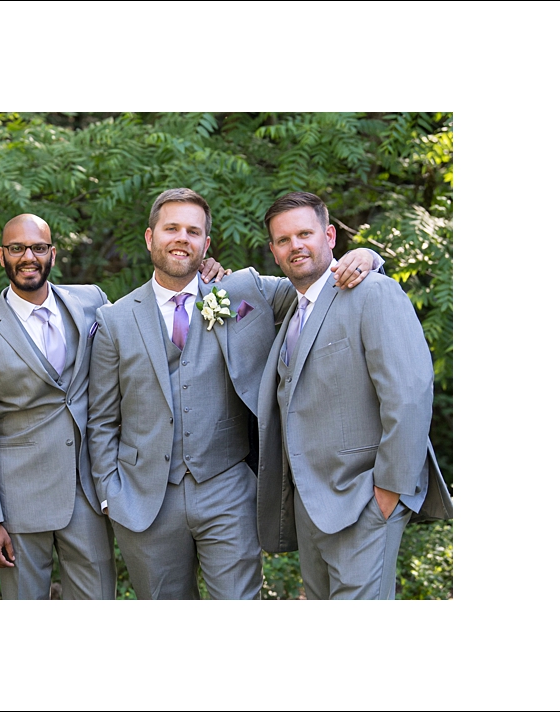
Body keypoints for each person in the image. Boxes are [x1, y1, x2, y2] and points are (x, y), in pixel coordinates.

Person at [85, 187, 383, 599]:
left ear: (206, 244)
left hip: (227, 487)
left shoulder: (241, 293)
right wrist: (109, 493)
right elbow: (101, 417)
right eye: (171, 228)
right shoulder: (115, 319)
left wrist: (367, 257)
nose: (182, 239)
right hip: (143, 497)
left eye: (193, 231)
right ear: (151, 237)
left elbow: (317, 281)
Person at [255, 191, 451, 599]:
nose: (297, 246)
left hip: (365, 500)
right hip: (312, 506)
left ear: (329, 235)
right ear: (274, 251)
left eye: (305, 234)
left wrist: (388, 494)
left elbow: (409, 395)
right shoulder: (291, 303)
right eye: (284, 240)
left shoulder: (373, 293)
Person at [0, 214, 118, 600]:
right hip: (17, 502)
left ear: (52, 253)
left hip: (87, 493)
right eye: (17, 248)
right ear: (2, 255)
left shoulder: (90, 301)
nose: (28, 256)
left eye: (38, 248)